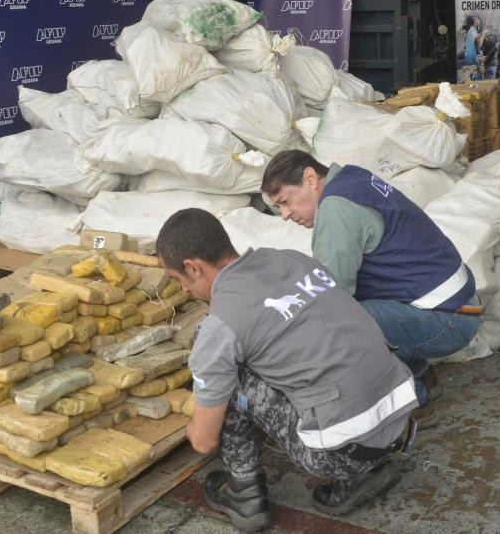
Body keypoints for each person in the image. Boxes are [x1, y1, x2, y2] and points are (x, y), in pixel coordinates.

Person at [156, 208, 417, 532]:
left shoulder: (220, 326)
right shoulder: (292, 260)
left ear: (192, 267)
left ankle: (245, 494)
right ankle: (364, 471)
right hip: (399, 424)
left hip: (342, 452)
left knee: (226, 376)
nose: (182, 290)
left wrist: (193, 424)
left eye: (177, 280)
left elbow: (204, 442)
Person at [261, 150, 482, 409]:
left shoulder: (336, 206)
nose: (285, 214)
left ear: (310, 177)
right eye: (279, 208)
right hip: (460, 305)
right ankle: (418, 373)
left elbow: (332, 296)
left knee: (337, 327)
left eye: (286, 201)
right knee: (351, 308)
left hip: (449, 319)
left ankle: (408, 399)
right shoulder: (351, 178)